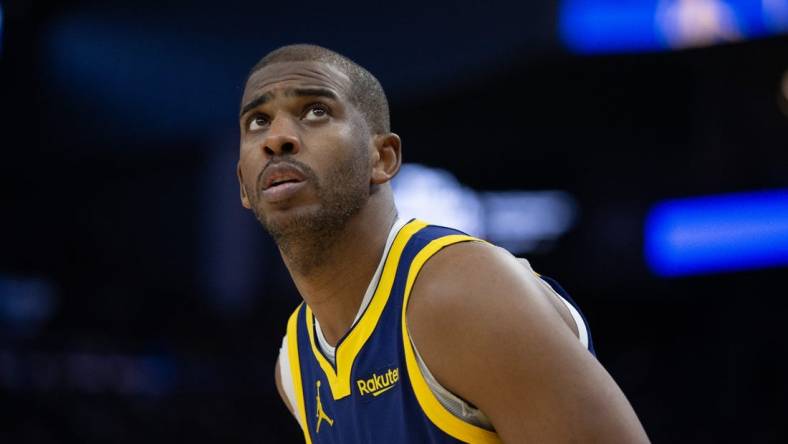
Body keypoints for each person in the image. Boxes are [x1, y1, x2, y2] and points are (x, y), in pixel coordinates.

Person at [237, 44, 649, 443]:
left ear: (382, 159)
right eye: (258, 121)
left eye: (316, 111)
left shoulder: (461, 293)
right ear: (243, 184)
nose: (278, 138)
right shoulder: (294, 365)